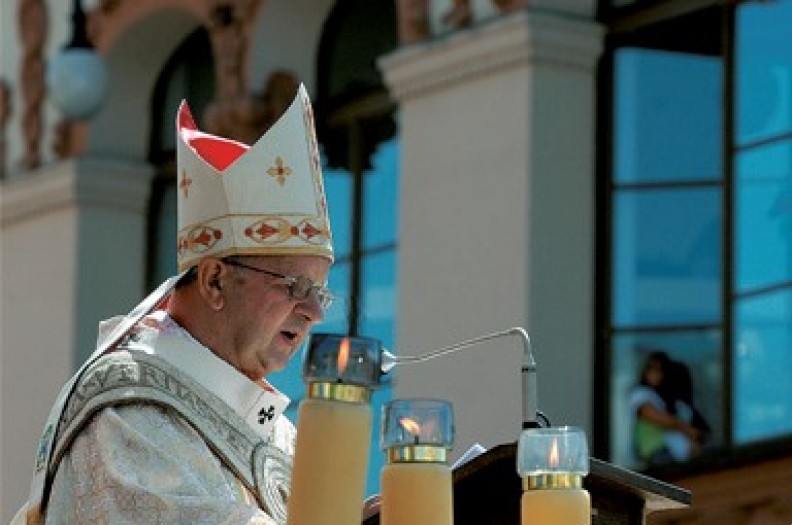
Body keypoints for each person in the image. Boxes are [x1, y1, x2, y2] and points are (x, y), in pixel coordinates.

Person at [14, 84, 334, 524]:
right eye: (296, 286)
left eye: (320, 293)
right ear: (215, 280)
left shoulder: (272, 431)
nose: (314, 313)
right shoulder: (126, 410)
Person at [629, 351, 707, 467]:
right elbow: (655, 416)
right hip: (654, 453)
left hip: (674, 453)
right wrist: (687, 429)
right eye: (652, 368)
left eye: (660, 370)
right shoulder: (640, 393)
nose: (655, 374)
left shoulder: (666, 399)